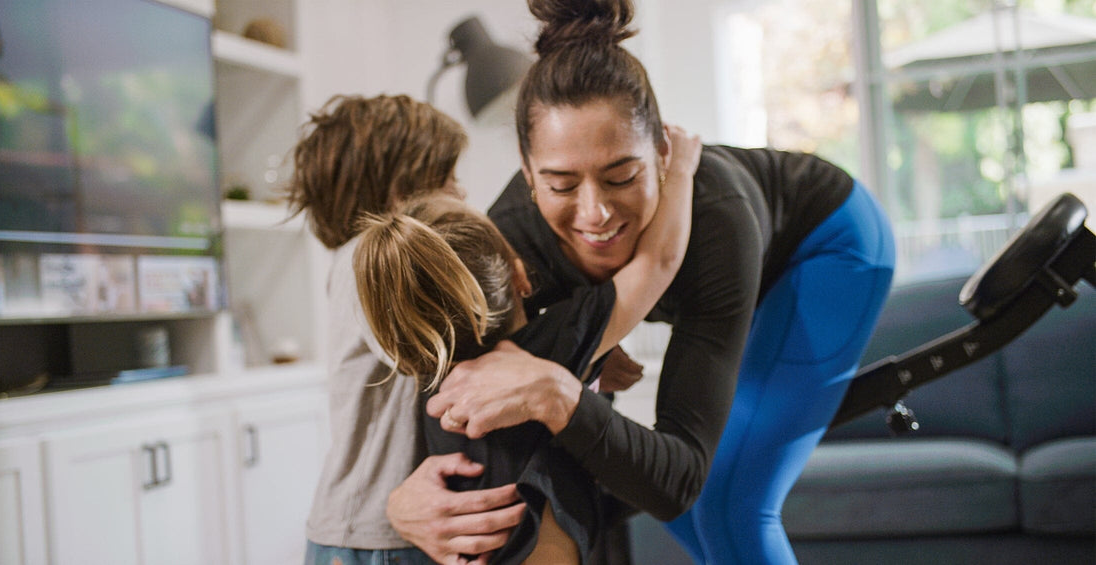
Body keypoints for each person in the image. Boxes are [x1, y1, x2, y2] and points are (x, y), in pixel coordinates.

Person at [388, 1, 897, 564]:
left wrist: (561, 393)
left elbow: (678, 478)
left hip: (826, 246)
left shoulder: (714, 220)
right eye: (560, 184)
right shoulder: (510, 238)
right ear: (528, 176)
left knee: (727, 503)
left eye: (621, 176)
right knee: (664, 496)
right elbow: (451, 371)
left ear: (662, 155)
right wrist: (404, 499)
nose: (595, 213)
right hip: (742, 270)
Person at [353, 124, 699, 565]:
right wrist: (682, 167)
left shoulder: (433, 379)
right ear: (520, 274)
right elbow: (659, 260)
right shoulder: (550, 342)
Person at [286, 93, 500, 565]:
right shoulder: (370, 257)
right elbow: (436, 352)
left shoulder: (357, 258)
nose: (461, 195)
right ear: (401, 194)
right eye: (448, 179)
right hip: (371, 542)